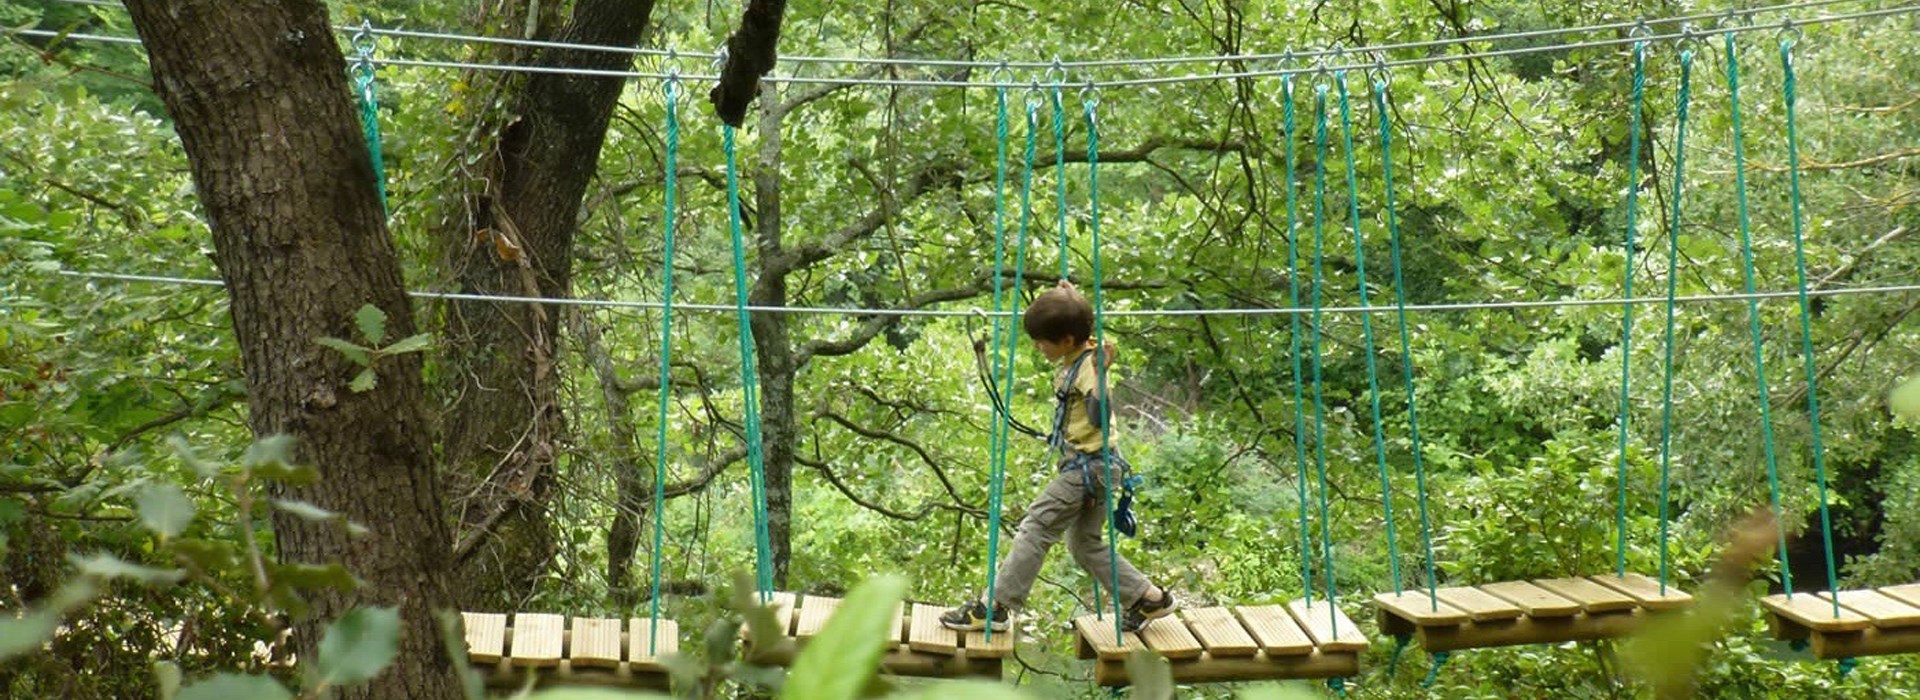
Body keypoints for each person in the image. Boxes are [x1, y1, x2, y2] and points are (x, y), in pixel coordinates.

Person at [941, 281, 1176, 633]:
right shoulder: (1079, 349)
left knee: (1035, 527)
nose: (1038, 346)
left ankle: (996, 606)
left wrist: (1101, 375)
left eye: (1041, 341)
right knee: (1084, 545)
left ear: (1066, 340)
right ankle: (1149, 598)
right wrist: (1069, 295)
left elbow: (1099, 415)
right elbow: (1079, 321)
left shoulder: (1089, 368)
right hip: (1100, 467)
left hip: (1088, 469)